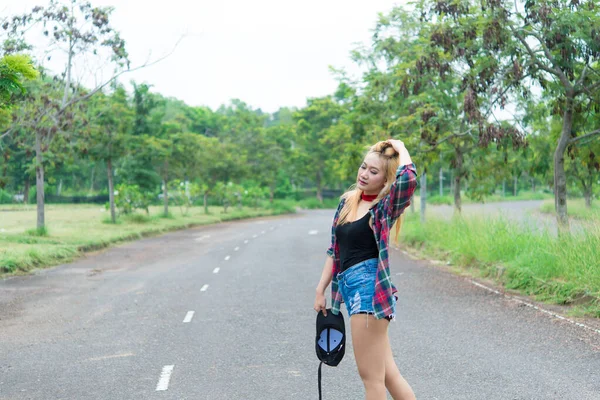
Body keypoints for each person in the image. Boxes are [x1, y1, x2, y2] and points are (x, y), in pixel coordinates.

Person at [313, 139, 418, 400]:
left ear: (385, 180)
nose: (364, 174)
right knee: (389, 375)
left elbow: (408, 180)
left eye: (374, 172)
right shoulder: (347, 202)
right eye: (363, 167)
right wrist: (320, 289)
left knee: (371, 379)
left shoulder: (383, 208)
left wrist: (401, 147)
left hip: (368, 292)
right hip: (349, 290)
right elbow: (334, 250)